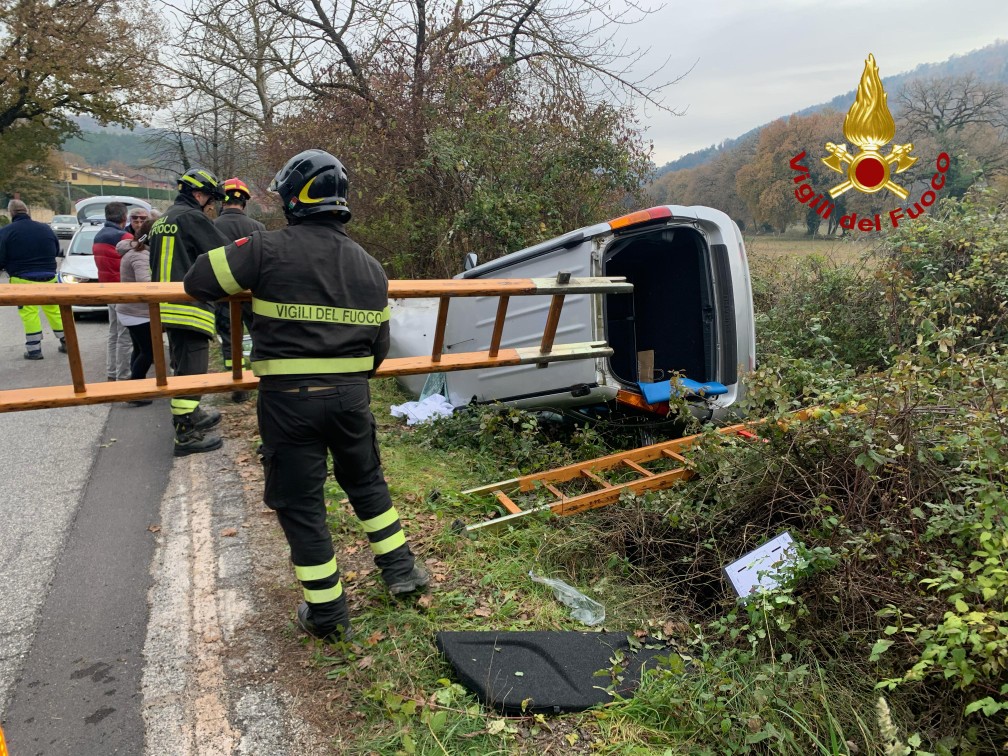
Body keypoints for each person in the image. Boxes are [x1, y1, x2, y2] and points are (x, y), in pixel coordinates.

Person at [184, 149, 429, 644]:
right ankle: (402, 569)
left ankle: (328, 615)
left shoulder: (263, 249)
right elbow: (378, 349)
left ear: (294, 199)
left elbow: (198, 282)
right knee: (366, 482)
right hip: (351, 397)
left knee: (301, 504)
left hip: (289, 401)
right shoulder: (371, 268)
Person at [149, 168, 230, 457]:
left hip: (166, 307)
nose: (209, 204)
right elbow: (224, 253)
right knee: (192, 371)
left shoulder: (162, 221)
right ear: (197, 194)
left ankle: (192, 415)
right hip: (189, 307)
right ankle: (186, 434)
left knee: (182, 366)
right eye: (208, 199)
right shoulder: (192, 218)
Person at [213, 177, 264, 402]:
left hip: (224, 295)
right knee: (259, 337)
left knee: (229, 341)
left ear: (222, 202)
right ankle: (261, 379)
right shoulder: (259, 228)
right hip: (253, 295)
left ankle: (237, 387)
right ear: (244, 202)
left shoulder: (211, 227)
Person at [0, 199, 66, 359]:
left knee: (29, 312)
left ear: (11, 213)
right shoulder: (45, 228)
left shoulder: (7, 231)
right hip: (50, 276)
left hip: (23, 279)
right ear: (26, 211)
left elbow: (1, 257)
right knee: (55, 310)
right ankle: (67, 342)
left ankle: (34, 349)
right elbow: (56, 249)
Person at [117, 218, 156, 406]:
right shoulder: (140, 256)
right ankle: (134, 391)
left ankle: (134, 388)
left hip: (130, 311)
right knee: (150, 352)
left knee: (140, 349)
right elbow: (145, 283)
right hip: (137, 313)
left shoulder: (133, 250)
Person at [93, 202, 133, 381]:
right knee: (125, 337)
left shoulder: (99, 236)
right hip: (124, 291)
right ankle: (123, 376)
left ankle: (111, 372)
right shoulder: (124, 236)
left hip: (107, 289)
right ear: (124, 218)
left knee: (113, 334)